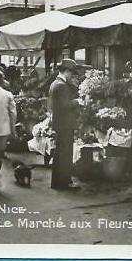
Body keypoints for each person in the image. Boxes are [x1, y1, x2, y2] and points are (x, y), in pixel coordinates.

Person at [49, 59, 82, 190]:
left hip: (60, 123)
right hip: (65, 124)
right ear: (66, 71)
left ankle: (57, 182)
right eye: (71, 73)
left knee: (59, 153)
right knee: (65, 154)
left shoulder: (55, 83)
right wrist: (78, 102)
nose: (72, 76)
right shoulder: (61, 85)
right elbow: (65, 105)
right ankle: (64, 182)